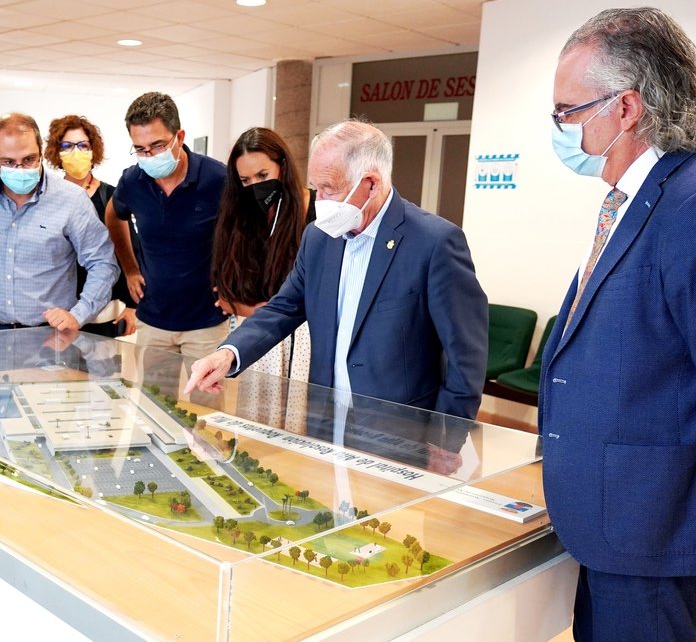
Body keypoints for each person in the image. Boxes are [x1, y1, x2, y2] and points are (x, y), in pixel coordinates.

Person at [541, 7, 696, 641]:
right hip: (611, 517)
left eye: (568, 113)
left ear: (626, 107)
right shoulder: (638, 195)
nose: (561, 129)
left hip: (651, 525)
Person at [184, 118, 488, 424]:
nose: (319, 201)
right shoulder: (318, 238)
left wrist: (446, 438)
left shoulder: (434, 242)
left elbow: (466, 356)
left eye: (329, 189)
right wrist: (228, 354)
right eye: (317, 188)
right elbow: (284, 307)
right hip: (326, 418)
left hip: (398, 426)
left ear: (370, 184)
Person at [0, 113, 118, 333]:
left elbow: (103, 263)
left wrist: (78, 315)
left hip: (50, 337)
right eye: (8, 162)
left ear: (41, 153)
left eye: (28, 159)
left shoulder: (71, 199)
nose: (20, 169)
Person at [105, 91, 228, 359]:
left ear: (179, 137)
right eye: (140, 148)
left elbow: (244, 231)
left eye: (158, 145)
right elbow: (114, 216)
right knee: (154, 400)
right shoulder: (133, 180)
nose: (149, 155)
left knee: (205, 401)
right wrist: (129, 269)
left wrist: (233, 280)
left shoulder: (217, 177)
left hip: (206, 322)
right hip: (153, 320)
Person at [211, 127, 315, 431]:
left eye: (262, 175)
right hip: (256, 339)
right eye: (245, 180)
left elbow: (318, 290)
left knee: (298, 425)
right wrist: (258, 312)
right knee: (256, 426)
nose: (254, 186)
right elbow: (225, 293)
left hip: (302, 342)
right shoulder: (240, 215)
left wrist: (264, 311)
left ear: (282, 165)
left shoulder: (314, 211)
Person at [44, 114, 138, 337]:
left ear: (93, 150)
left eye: (82, 145)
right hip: (58, 312)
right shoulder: (47, 198)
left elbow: (129, 252)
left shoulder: (111, 196)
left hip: (104, 312)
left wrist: (134, 307)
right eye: (67, 146)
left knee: (104, 371)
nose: (75, 152)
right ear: (56, 152)